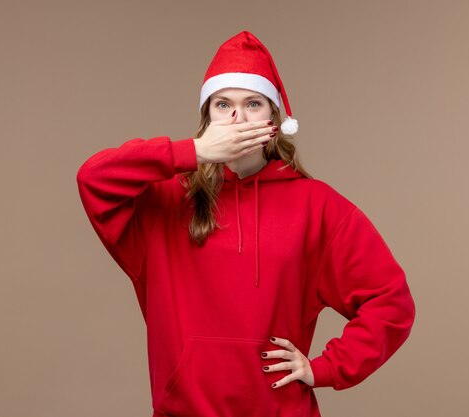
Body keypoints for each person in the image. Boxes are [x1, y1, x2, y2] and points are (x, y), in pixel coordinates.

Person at [76, 30, 416, 417]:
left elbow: (390, 302)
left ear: (274, 118)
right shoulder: (166, 201)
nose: (237, 117)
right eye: (223, 104)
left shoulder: (317, 205)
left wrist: (324, 367)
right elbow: (93, 177)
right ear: (207, 116)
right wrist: (194, 152)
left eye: (253, 103)